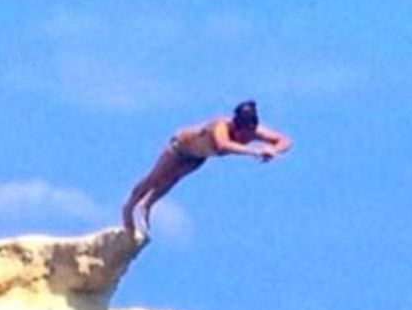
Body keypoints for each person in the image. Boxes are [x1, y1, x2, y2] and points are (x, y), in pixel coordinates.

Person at [122, 100, 292, 238]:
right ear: (236, 126)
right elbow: (222, 145)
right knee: (155, 178)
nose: (247, 138)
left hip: (198, 156)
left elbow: (284, 140)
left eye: (250, 135)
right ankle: (128, 208)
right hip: (178, 148)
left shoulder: (254, 131)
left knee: (172, 179)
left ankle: (146, 206)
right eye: (244, 135)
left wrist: (273, 150)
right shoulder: (220, 126)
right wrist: (254, 151)